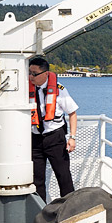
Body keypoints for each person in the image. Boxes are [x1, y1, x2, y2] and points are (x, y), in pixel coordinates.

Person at [29, 56, 79, 202]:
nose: (31, 77)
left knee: (63, 176)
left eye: (34, 74)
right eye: (29, 73)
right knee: (36, 179)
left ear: (45, 74)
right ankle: (40, 211)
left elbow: (72, 113)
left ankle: (70, 209)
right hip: (35, 139)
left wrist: (72, 137)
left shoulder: (59, 89)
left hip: (55, 138)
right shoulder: (25, 89)